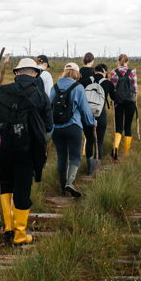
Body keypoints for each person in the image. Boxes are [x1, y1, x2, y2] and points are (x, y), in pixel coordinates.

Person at [0, 58, 53, 245]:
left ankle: (8, 227)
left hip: (2, 147)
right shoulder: (41, 96)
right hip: (28, 150)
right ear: (35, 73)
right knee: (23, 189)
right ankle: (20, 234)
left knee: (6, 184)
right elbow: (49, 126)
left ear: (17, 73)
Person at [50, 63, 96, 197]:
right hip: (73, 127)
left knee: (61, 157)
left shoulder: (55, 87)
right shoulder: (78, 87)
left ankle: (62, 188)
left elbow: (49, 107)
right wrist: (92, 122)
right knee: (75, 156)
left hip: (56, 128)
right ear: (76, 73)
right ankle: (70, 182)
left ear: (64, 72)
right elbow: (85, 109)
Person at [80, 63, 114, 173]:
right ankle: (97, 168)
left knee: (89, 140)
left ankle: (89, 168)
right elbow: (115, 97)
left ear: (94, 71)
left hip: (87, 115)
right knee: (99, 141)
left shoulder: (85, 81)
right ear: (105, 72)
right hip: (101, 115)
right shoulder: (108, 83)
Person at [109, 54, 138, 159]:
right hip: (130, 102)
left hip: (118, 103)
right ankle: (126, 153)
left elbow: (112, 89)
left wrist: (113, 101)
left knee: (119, 127)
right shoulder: (132, 72)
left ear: (118, 61)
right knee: (128, 127)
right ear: (127, 61)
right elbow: (135, 89)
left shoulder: (113, 72)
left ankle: (116, 147)